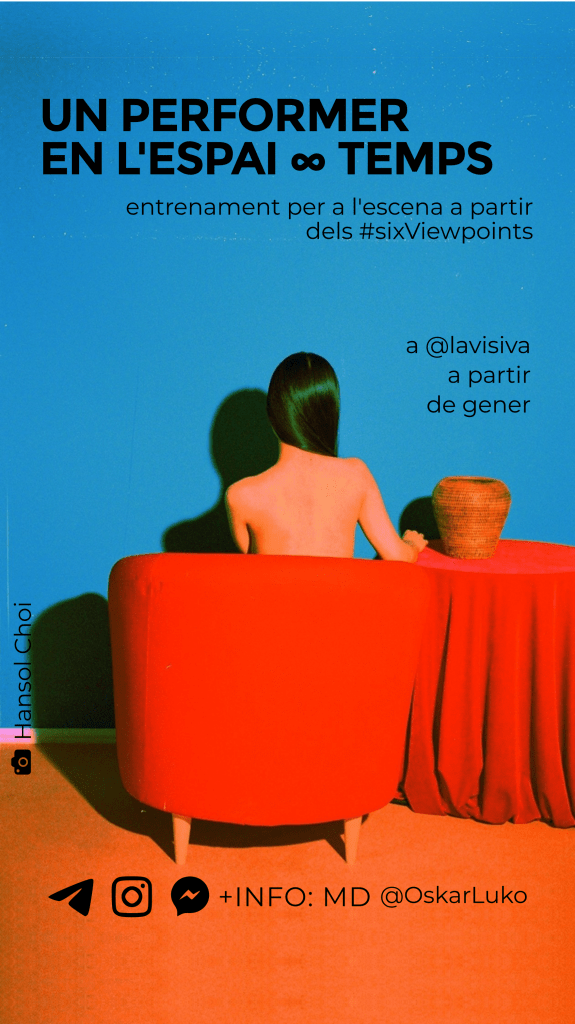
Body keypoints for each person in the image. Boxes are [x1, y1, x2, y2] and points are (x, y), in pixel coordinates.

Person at [225, 352, 428, 561]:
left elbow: (258, 569)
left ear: (272, 414)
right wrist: (411, 543)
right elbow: (398, 557)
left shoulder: (241, 496)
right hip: (342, 585)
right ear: (330, 413)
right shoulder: (355, 475)